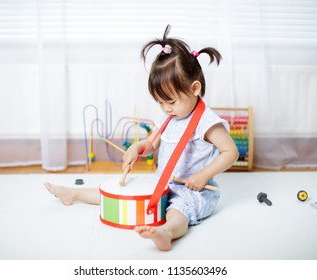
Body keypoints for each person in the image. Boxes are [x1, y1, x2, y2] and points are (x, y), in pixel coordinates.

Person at [45, 25, 239, 251]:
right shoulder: (169, 117)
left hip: (193, 190)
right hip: (161, 183)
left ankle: (166, 232)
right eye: (160, 102)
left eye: (171, 101)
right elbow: (151, 144)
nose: (166, 108)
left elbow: (231, 152)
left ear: (195, 88)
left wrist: (204, 175)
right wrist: (137, 148)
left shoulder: (207, 122)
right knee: (123, 191)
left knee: (178, 210)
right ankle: (73, 193)